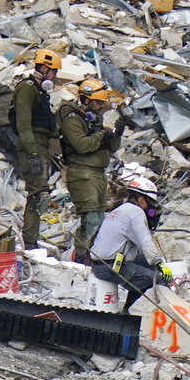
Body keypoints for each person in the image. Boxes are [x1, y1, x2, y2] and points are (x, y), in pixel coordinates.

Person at [58, 78, 124, 261]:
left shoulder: (95, 121)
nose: (101, 106)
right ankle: (80, 258)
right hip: (82, 173)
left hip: (98, 174)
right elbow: (81, 145)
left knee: (101, 220)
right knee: (91, 219)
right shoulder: (73, 120)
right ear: (86, 100)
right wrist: (102, 134)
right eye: (98, 102)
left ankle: (93, 258)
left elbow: (110, 149)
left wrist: (116, 135)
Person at [89, 176, 172, 311]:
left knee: (145, 267)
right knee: (158, 279)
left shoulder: (121, 209)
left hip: (100, 263)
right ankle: (169, 313)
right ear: (141, 200)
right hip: (111, 266)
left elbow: (139, 248)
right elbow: (146, 243)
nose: (151, 209)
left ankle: (128, 309)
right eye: (149, 204)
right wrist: (161, 265)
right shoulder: (136, 212)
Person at [12, 48, 61, 247]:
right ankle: (29, 241)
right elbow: (24, 124)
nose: (55, 76)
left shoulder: (40, 92)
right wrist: (33, 154)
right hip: (32, 149)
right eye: (54, 72)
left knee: (40, 193)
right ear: (44, 68)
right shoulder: (27, 88)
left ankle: (32, 237)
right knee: (38, 194)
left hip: (41, 148)